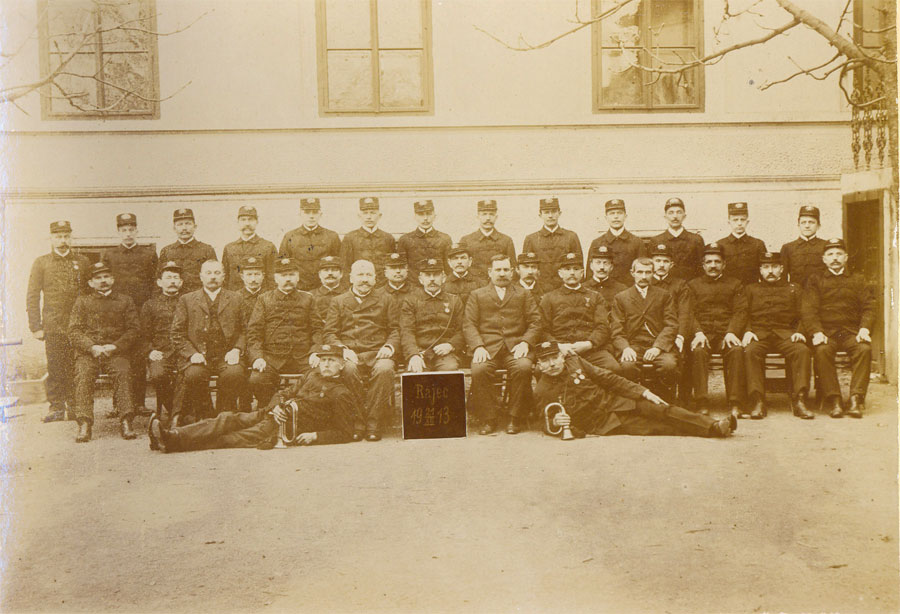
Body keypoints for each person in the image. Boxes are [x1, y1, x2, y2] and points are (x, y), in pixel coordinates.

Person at [149, 344, 360, 452]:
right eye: (323, 360)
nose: (326, 364)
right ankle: (172, 435)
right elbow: (284, 393)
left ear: (342, 365)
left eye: (332, 360)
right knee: (226, 418)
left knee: (230, 438)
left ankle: (172, 442)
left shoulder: (341, 393)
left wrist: (315, 436)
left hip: (286, 429)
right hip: (272, 413)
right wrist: (276, 406)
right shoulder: (310, 375)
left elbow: (345, 432)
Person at [533, 341, 735, 439]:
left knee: (661, 409)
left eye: (554, 358)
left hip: (618, 402)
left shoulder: (575, 361)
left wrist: (643, 392)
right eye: (545, 361)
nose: (552, 364)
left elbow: (608, 378)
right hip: (604, 422)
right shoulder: (542, 390)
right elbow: (545, 421)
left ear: (562, 356)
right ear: (539, 366)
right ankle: (711, 431)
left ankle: (714, 426)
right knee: (657, 428)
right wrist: (555, 423)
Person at [463, 255, 542, 435]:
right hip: (487, 347)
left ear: (512, 272)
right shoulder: (477, 295)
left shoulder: (523, 294)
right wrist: (478, 346)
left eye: (506, 270)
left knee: (523, 368)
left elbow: (536, 322)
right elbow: (469, 324)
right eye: (498, 270)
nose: (502, 273)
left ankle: (515, 417)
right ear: (490, 272)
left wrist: (525, 342)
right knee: (479, 370)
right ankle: (489, 418)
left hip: (516, 347)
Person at [323, 259, 399, 441]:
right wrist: (342, 349)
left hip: (378, 352)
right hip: (351, 353)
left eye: (368, 275)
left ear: (375, 278)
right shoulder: (338, 301)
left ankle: (373, 423)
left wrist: (389, 346)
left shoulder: (387, 299)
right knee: (348, 369)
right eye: (360, 275)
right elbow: (330, 333)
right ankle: (357, 422)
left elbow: (395, 330)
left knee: (385, 369)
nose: (364, 279)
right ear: (350, 278)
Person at [802, 238, 876, 418]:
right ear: (824, 259)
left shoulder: (857, 279)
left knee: (864, 349)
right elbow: (809, 309)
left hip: (851, 332)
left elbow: (869, 307)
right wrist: (816, 332)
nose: (835, 258)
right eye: (830, 254)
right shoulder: (815, 280)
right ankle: (834, 400)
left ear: (846, 257)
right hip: (827, 333)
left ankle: (856, 399)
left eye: (839, 254)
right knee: (822, 351)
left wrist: (864, 329)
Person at [68, 262, 140, 442]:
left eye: (106, 277)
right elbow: (74, 331)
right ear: (91, 283)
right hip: (89, 353)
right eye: (98, 278)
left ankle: (126, 420)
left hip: (115, 352)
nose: (103, 281)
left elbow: (133, 330)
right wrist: (91, 347)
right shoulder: (82, 301)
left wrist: (115, 346)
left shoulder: (125, 301)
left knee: (123, 372)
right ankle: (84, 423)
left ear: (112, 279)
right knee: (83, 374)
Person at [26, 220, 90, 422]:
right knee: (55, 366)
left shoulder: (83, 262)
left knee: (76, 366)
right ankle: (56, 407)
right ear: (51, 238)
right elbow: (32, 295)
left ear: (71, 238)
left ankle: (75, 406)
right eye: (58, 236)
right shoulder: (41, 262)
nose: (63, 240)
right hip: (53, 324)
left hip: (78, 325)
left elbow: (89, 294)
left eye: (66, 236)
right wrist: (35, 326)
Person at [170, 260, 248, 425]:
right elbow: (177, 333)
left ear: (224, 276)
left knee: (234, 374)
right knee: (194, 374)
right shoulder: (187, 299)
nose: (213, 277)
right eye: (209, 273)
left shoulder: (236, 298)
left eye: (217, 273)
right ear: (201, 276)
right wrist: (192, 354)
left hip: (227, 355)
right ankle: (205, 414)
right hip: (199, 355)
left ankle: (225, 414)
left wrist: (237, 349)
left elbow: (245, 330)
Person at [742, 251, 813, 419]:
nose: (770, 271)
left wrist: (799, 332)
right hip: (759, 334)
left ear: (781, 268)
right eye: (766, 267)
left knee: (802, 351)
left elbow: (805, 313)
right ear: (760, 270)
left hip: (786, 335)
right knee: (750, 351)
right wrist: (747, 331)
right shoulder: (750, 289)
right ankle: (758, 400)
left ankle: (799, 400)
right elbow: (742, 313)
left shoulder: (794, 288)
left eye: (774, 267)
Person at [101, 212, 158, 413]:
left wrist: (150, 309)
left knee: (139, 357)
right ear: (118, 232)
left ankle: (139, 403)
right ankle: (119, 405)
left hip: (141, 313)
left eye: (131, 230)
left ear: (137, 231)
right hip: (117, 314)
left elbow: (155, 283)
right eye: (124, 230)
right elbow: (105, 283)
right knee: (119, 357)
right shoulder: (109, 255)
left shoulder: (148, 254)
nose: (127, 234)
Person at [247, 257, 320, 407]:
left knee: (320, 375)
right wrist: (257, 357)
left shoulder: (308, 299)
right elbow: (254, 332)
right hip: (273, 357)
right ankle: (268, 410)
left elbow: (318, 329)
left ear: (298, 277)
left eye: (291, 275)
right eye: (283, 275)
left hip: (303, 357)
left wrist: (315, 351)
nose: (288, 279)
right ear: (275, 278)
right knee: (257, 379)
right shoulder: (264, 299)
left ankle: (301, 411)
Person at [687, 244, 747, 419]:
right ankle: (702, 402)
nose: (713, 265)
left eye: (717, 262)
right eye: (709, 262)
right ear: (703, 265)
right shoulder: (693, 285)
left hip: (725, 334)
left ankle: (735, 402)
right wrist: (697, 332)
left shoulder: (735, 284)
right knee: (698, 352)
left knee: (736, 350)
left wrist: (731, 332)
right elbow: (688, 312)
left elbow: (740, 311)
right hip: (703, 334)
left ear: (724, 264)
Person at [609, 257, 679, 397]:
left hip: (657, 346)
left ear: (653, 273)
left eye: (648, 272)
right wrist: (625, 348)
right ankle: (634, 400)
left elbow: (671, 325)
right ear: (632, 273)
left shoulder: (664, 295)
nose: (643, 276)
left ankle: (664, 399)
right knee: (627, 365)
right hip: (633, 346)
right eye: (640, 272)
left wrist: (658, 347)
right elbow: (616, 329)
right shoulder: (621, 297)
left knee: (669, 365)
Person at [539, 252, 619, 373]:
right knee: (542, 371)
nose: (572, 273)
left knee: (613, 368)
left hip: (590, 350)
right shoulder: (549, 298)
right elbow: (543, 329)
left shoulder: (595, 296)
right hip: (560, 350)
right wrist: (558, 346)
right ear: (560, 273)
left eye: (576, 269)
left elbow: (603, 326)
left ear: (582, 273)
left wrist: (589, 343)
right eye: (567, 269)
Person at [400, 258, 465, 372]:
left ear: (443, 278)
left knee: (449, 369)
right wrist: (413, 354)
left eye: (436, 275)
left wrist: (450, 345)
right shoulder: (411, 301)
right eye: (427, 275)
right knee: (415, 371)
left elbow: (462, 329)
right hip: (420, 352)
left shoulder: (454, 301)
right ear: (421, 279)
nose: (432, 279)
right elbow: (407, 331)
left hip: (446, 353)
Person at [649, 243, 694, 404]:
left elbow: (684, 313)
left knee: (686, 351)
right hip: (652, 333)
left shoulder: (680, 285)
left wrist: (680, 336)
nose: (661, 265)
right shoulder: (646, 282)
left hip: (675, 333)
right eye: (657, 261)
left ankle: (684, 398)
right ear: (651, 262)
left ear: (671, 264)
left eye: (665, 261)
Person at [140, 261, 183, 425]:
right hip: (161, 353)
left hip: (184, 351)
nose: (172, 281)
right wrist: (150, 351)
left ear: (181, 282)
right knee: (158, 374)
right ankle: (175, 411)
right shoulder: (150, 305)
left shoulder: (189, 301)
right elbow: (143, 335)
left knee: (189, 374)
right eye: (168, 278)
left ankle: (180, 414)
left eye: (175, 278)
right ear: (159, 282)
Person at [279, 198, 342, 291]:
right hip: (299, 289)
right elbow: (283, 266)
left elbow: (339, 264)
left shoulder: (332, 236)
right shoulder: (290, 236)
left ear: (320, 214)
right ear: (300, 214)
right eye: (307, 212)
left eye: (315, 212)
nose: (311, 216)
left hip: (324, 289)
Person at [522, 197, 583, 294]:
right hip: (540, 291)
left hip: (566, 290)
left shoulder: (571, 237)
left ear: (559, 213)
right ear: (540, 215)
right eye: (546, 212)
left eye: (554, 212)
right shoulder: (531, 239)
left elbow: (579, 267)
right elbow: (525, 268)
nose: (550, 216)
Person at [458, 199, 517, 286]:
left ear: (496, 217)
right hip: (473, 286)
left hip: (498, 285)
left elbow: (512, 268)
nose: (488, 218)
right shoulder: (466, 240)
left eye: (491, 214)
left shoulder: (506, 240)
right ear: (478, 217)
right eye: (484, 214)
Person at [339, 196, 396, 286]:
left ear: (379, 216)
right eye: (365, 213)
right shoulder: (350, 238)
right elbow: (345, 267)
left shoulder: (387, 238)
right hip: (359, 285)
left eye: (373, 213)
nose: (369, 217)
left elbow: (392, 266)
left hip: (383, 286)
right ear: (359, 216)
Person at [158, 208, 217, 293]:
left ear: (195, 227)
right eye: (180, 224)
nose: (184, 228)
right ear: (174, 228)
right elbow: (159, 279)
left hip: (197, 297)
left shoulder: (207, 250)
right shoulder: (166, 251)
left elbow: (214, 278)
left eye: (188, 224)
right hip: (173, 297)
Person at [587, 199, 644, 285]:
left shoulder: (637, 242)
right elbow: (589, 274)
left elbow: (643, 271)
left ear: (625, 216)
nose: (616, 217)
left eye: (619, 213)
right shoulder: (597, 243)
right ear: (606, 218)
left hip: (629, 289)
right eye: (612, 213)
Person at [221, 205, 277, 291]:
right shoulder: (229, 248)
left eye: (251, 219)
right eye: (243, 220)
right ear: (238, 222)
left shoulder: (268, 247)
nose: (247, 223)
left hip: (260, 296)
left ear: (257, 222)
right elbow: (225, 278)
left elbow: (273, 278)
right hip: (234, 296)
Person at [397, 200, 452, 283]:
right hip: (413, 285)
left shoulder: (444, 238)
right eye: (421, 214)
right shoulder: (405, 239)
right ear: (415, 217)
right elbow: (402, 267)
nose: (425, 218)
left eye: (429, 214)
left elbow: (449, 267)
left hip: (437, 285)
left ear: (434, 216)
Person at [652, 197, 705, 280]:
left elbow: (701, 268)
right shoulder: (656, 240)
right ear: (665, 217)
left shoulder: (696, 240)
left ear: (684, 216)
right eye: (671, 213)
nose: (675, 216)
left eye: (679, 212)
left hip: (690, 285)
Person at [716, 202, 767, 286]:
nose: (739, 223)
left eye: (742, 219)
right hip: (728, 289)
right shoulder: (720, 244)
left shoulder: (758, 244)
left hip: (751, 289)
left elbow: (764, 270)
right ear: (729, 222)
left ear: (747, 222)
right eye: (735, 220)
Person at [781, 205, 827, 286]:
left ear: (818, 226)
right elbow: (783, 276)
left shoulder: (825, 246)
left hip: (819, 291)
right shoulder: (788, 248)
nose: (807, 226)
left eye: (811, 222)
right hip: (796, 291)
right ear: (798, 225)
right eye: (803, 222)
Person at [312, 255, 347, 324]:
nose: (330, 273)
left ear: (341, 274)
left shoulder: (349, 294)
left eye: (334, 270)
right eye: (326, 270)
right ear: (319, 274)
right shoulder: (311, 296)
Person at [237, 256, 266, 328]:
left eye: (257, 274)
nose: (253, 279)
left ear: (263, 276)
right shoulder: (235, 297)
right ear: (242, 276)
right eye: (249, 274)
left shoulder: (270, 296)